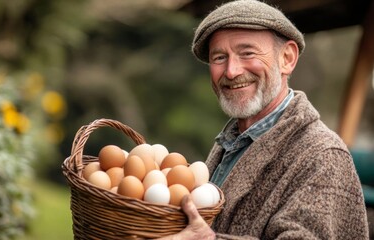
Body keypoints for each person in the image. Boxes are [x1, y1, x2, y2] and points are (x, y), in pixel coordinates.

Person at [158, 0, 369, 239]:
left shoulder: (323, 155)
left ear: (287, 58)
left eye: (247, 53)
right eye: (219, 58)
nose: (231, 71)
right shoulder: (231, 141)